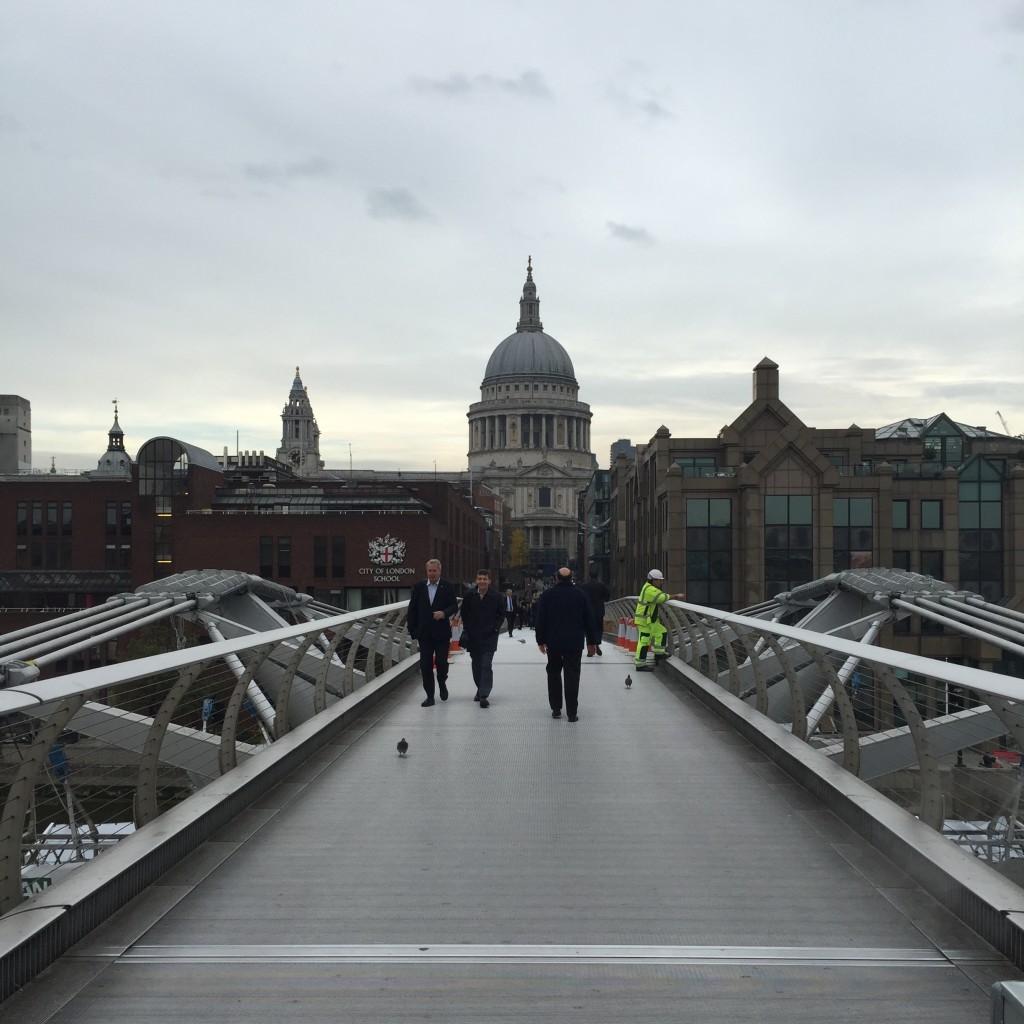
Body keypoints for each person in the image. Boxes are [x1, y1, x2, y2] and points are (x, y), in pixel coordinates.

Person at [535, 567, 599, 722]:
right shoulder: (580, 595)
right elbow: (589, 619)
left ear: (556, 578)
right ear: (571, 578)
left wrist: (541, 640)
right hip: (574, 642)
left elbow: (540, 619)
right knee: (572, 675)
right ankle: (572, 713)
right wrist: (592, 641)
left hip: (554, 642)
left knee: (554, 673)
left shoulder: (547, 596)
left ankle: (556, 709)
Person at [407, 558, 459, 707]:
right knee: (425, 665)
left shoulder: (447, 586)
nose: (432, 573)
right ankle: (430, 696)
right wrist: (413, 630)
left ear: (439, 571)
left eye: (434, 571)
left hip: (441, 633)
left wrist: (444, 613)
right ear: (426, 571)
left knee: (441, 663)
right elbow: (412, 609)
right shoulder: (419, 587)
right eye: (429, 571)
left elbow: (454, 606)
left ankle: (442, 682)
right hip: (424, 634)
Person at [459, 570, 503, 708]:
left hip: (489, 637)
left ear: (489, 581)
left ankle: (484, 695)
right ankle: (480, 688)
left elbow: (501, 615)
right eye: (480, 579)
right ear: (476, 580)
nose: (482, 581)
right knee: (476, 665)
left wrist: (495, 629)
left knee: (486, 664)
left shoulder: (497, 596)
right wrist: (467, 629)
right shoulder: (469, 595)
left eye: (485, 579)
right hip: (473, 636)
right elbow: (464, 614)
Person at [634, 569, 684, 672]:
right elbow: (661, 597)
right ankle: (640, 664)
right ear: (653, 580)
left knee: (661, 631)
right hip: (644, 621)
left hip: (650, 620)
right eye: (659, 580)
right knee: (644, 642)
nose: (661, 582)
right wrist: (675, 596)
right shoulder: (649, 589)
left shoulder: (650, 588)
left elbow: (660, 595)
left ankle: (659, 654)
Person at [578, 572, 611, 656]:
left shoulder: (584, 586)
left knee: (588, 630)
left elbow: (580, 598)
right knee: (599, 629)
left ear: (589, 576)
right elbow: (607, 597)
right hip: (599, 611)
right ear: (597, 576)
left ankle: (590, 649)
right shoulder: (601, 586)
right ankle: (597, 644)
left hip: (587, 611)